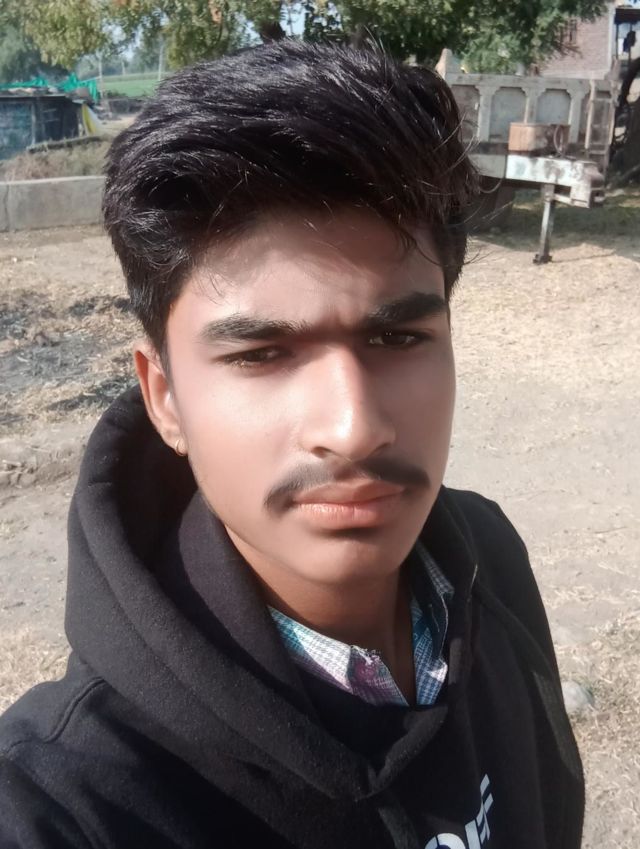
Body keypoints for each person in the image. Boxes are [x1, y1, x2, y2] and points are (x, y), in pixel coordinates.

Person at [0, 41, 583, 848]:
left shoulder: (488, 561)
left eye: (398, 337)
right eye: (261, 354)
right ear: (164, 396)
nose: (352, 427)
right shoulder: (67, 805)